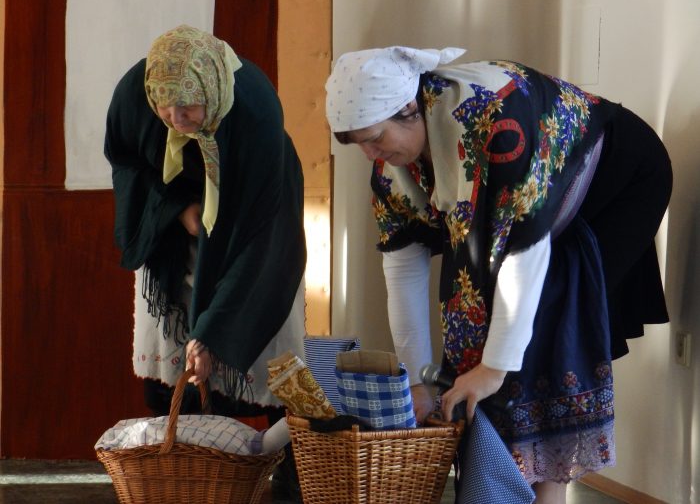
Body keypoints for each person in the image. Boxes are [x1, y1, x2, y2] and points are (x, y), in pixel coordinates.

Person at [325, 46, 672, 503]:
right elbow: (403, 265)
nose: (371, 154)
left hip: (617, 183)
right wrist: (422, 380)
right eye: (359, 143)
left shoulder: (497, 124)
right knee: (493, 330)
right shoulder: (391, 168)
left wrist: (491, 370)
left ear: (409, 107)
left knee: (547, 326)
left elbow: (523, 252)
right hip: (544, 213)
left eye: (374, 138)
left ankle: (539, 492)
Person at [104, 25, 306, 500]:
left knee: (269, 342)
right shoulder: (135, 95)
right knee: (175, 347)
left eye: (188, 108)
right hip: (176, 225)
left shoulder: (255, 110)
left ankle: (288, 471)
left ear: (211, 92)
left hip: (255, 214)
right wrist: (177, 209)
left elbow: (260, 240)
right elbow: (126, 162)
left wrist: (213, 332)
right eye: (165, 108)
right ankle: (183, 465)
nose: (177, 121)